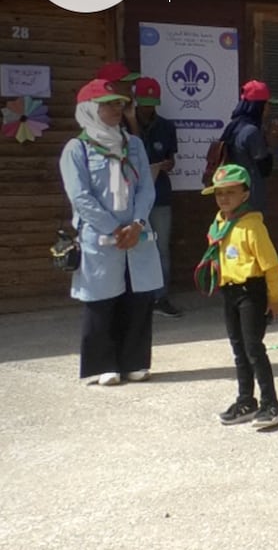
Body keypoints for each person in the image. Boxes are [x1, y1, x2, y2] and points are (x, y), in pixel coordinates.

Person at [61, 79, 162, 386]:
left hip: (137, 233)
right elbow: (80, 197)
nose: (117, 109)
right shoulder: (76, 149)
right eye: (109, 104)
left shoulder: (134, 144)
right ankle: (103, 365)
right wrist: (115, 228)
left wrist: (137, 223)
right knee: (102, 301)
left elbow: (146, 186)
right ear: (90, 110)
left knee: (139, 297)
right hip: (102, 237)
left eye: (120, 104)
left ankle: (135, 362)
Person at [196, 164, 278, 429]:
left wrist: (275, 297)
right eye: (219, 193)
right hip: (230, 291)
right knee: (238, 349)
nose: (224, 198)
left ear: (245, 194)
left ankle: (272, 404)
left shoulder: (252, 225)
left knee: (254, 348)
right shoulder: (220, 223)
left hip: (251, 291)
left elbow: (270, 264)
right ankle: (246, 401)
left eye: (230, 193)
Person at [123, 77, 180, 318]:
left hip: (160, 195)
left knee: (161, 248)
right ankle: (136, 299)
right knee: (133, 246)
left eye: (151, 103)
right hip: (130, 199)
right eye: (143, 103)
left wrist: (167, 164)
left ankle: (160, 297)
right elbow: (136, 155)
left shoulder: (166, 126)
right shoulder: (123, 126)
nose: (148, 108)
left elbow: (171, 158)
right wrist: (134, 122)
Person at [219, 80, 277, 213]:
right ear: (259, 106)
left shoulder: (233, 127)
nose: (269, 109)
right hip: (250, 198)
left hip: (234, 193)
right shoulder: (251, 132)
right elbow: (265, 169)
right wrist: (271, 143)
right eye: (267, 104)